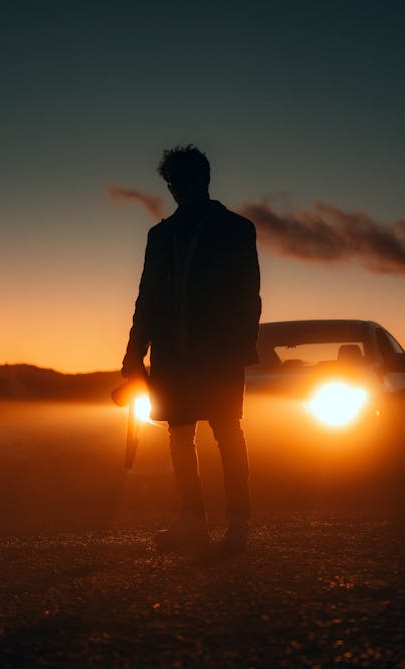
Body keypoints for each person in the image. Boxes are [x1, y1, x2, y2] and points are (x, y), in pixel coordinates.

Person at [121, 145, 261, 553]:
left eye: (182, 179)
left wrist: (240, 347)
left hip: (219, 354)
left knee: (227, 433)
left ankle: (237, 525)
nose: (176, 187)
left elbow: (247, 295)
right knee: (179, 434)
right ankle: (192, 521)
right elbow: (146, 297)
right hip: (171, 354)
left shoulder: (236, 228)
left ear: (203, 179)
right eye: (172, 181)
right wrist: (134, 354)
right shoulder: (160, 234)